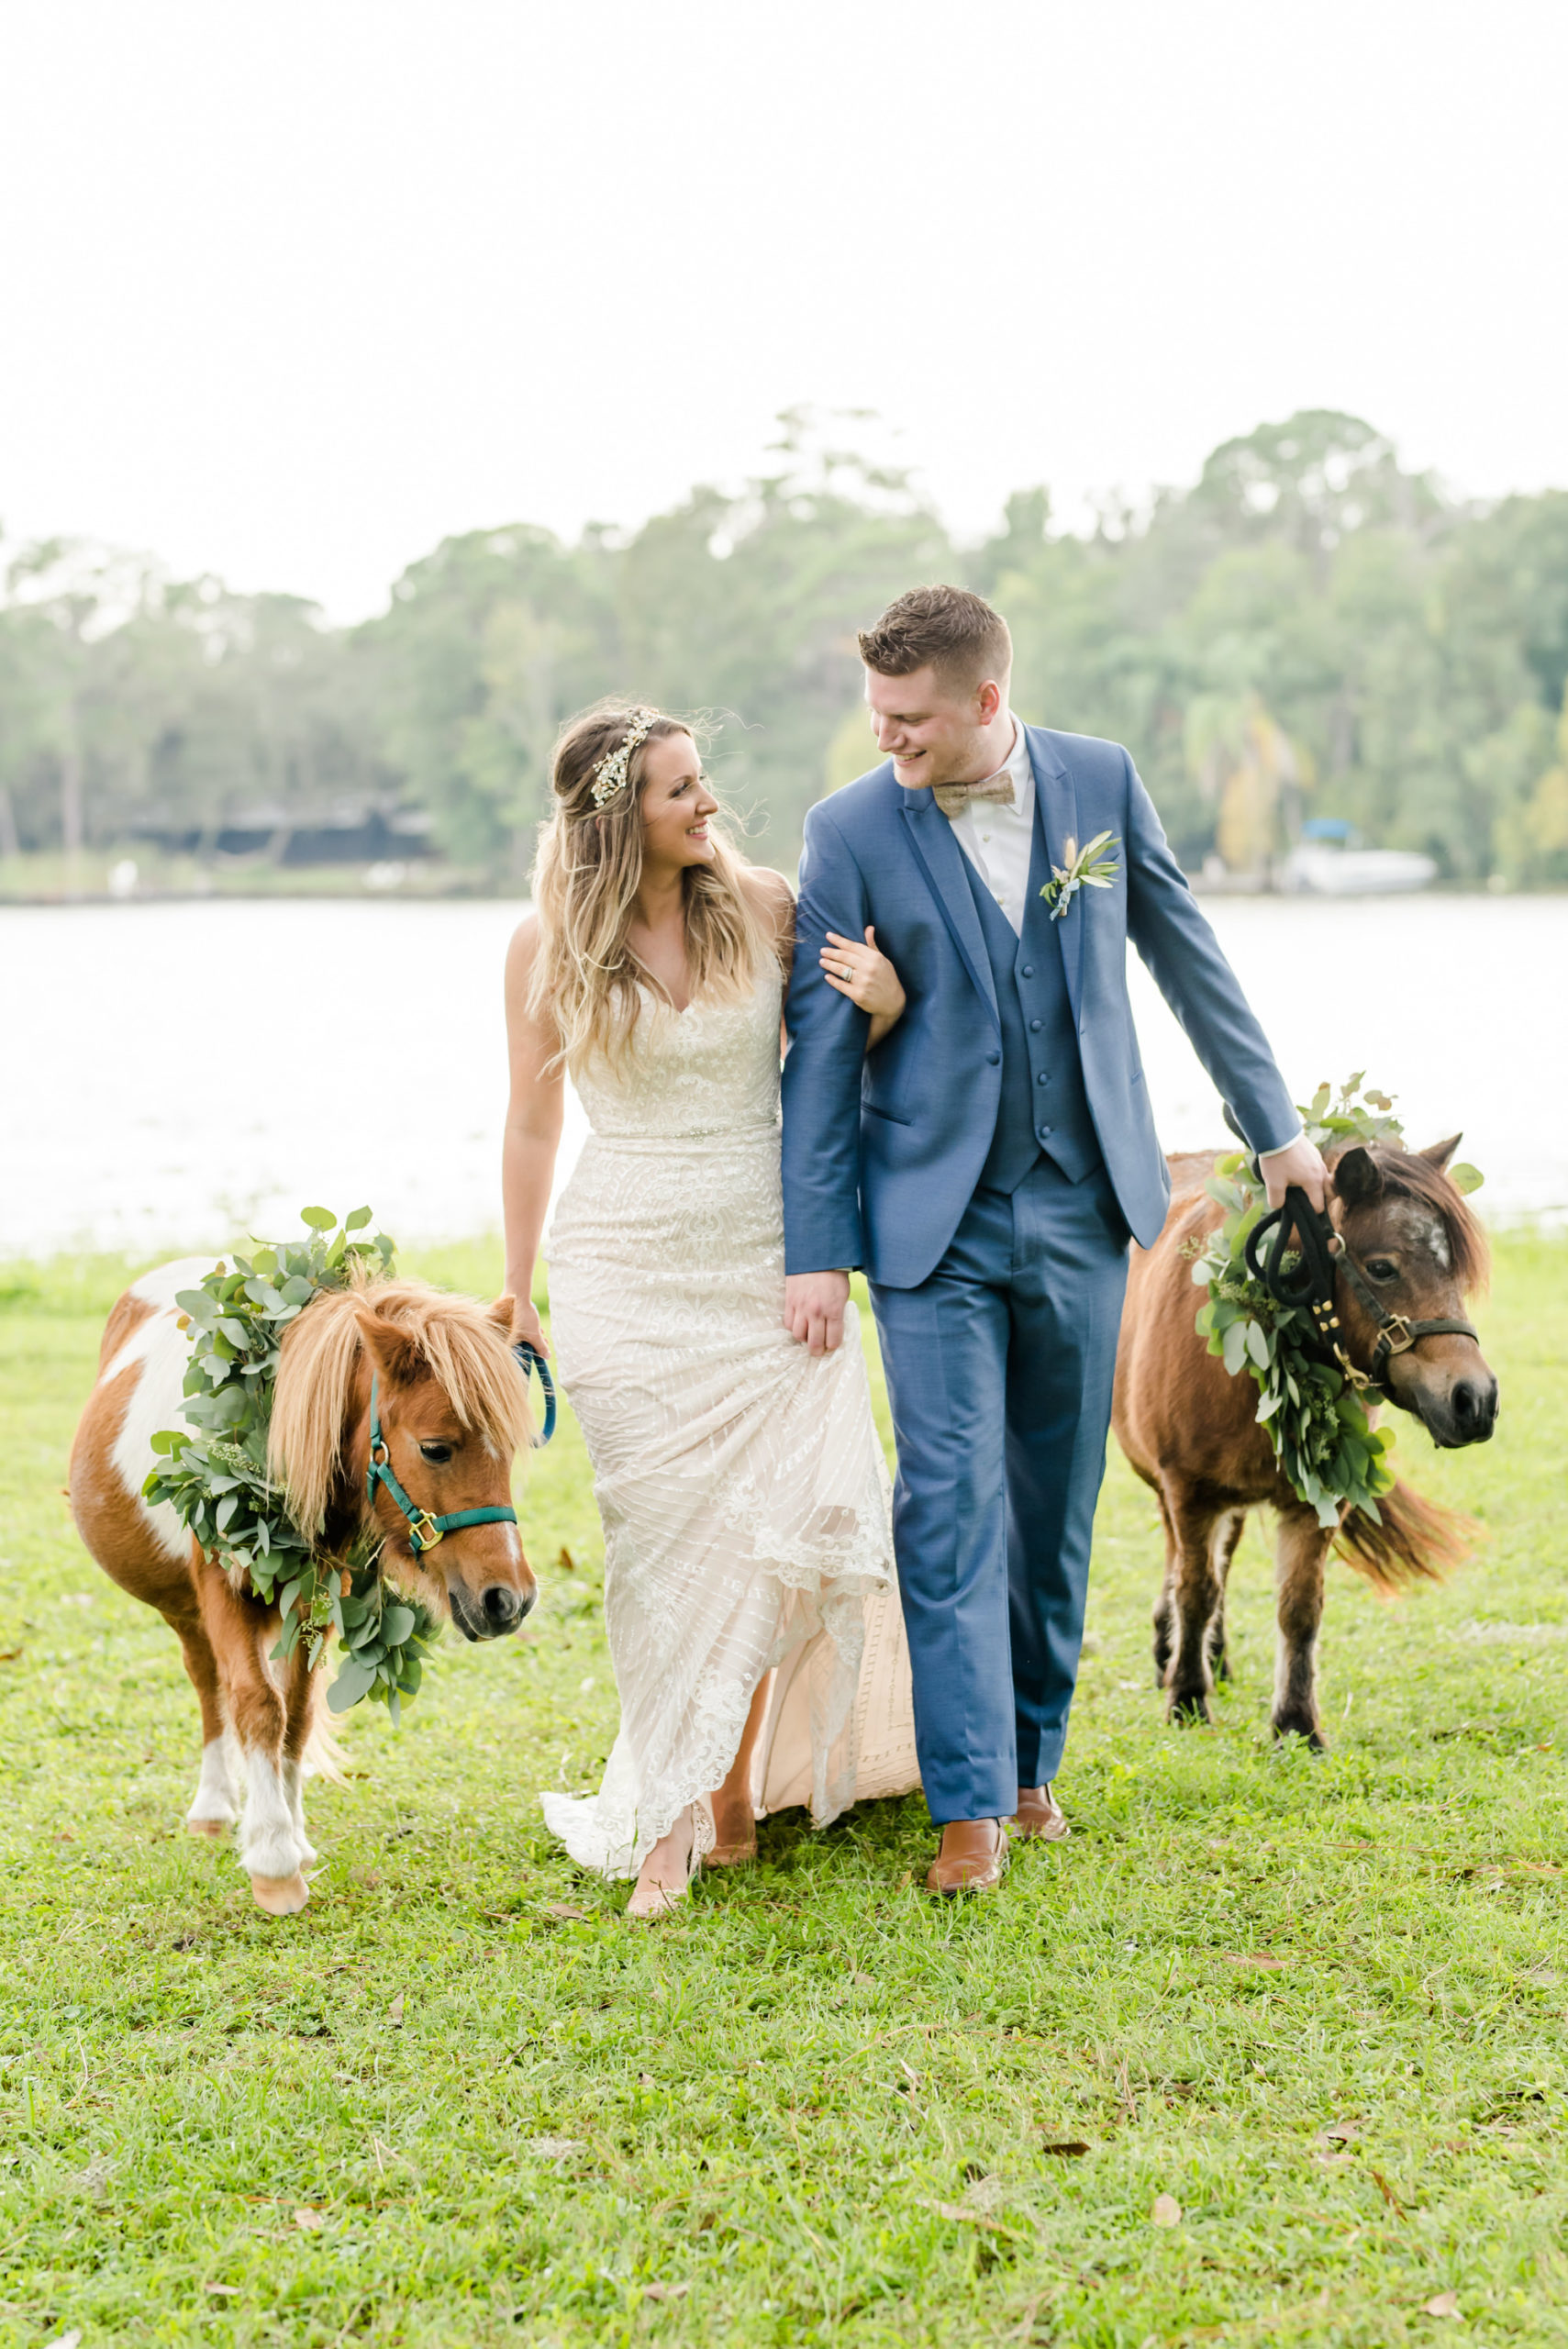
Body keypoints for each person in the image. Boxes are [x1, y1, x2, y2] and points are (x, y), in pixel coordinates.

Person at [781, 585, 1328, 1896]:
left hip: (1087, 1207)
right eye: (875, 716)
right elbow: (814, 1057)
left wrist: (1277, 1130)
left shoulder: (1098, 781)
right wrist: (813, 1244)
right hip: (929, 1222)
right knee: (949, 1501)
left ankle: (1030, 1768)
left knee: (1053, 1501)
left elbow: (1187, 959)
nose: (886, 741)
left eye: (909, 719)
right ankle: (965, 1805)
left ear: (985, 698)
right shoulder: (847, 829)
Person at [503, 701, 919, 1920]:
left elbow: (837, 1067)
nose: (707, 803)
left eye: (701, 780)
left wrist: (885, 1004)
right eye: (677, 790)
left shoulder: (769, 906)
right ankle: (680, 1813)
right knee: (661, 1541)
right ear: (614, 818)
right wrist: (518, 1288)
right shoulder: (544, 948)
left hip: (764, 1257)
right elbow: (531, 1123)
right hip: (621, 1268)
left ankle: (728, 1788)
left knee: (794, 1517)